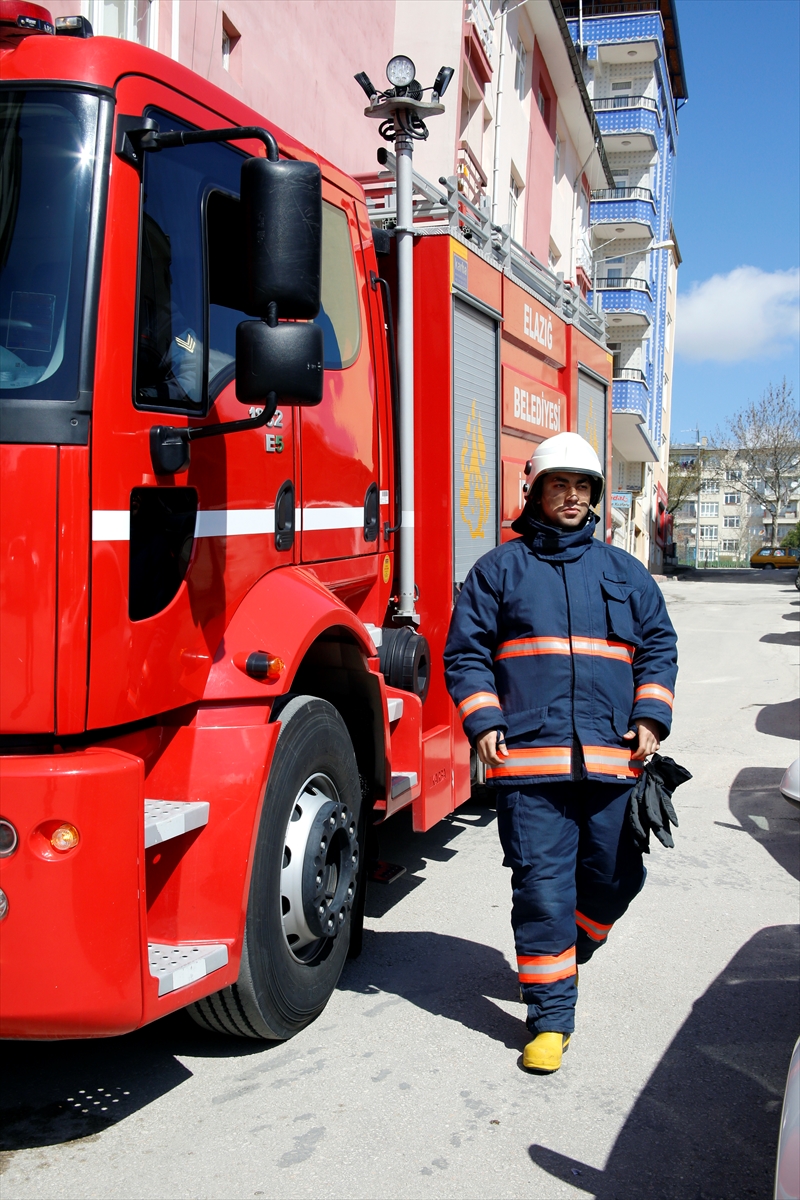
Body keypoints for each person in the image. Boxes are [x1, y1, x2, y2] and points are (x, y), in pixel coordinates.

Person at [444, 432, 678, 1073]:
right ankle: (550, 1019)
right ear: (536, 492)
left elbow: (658, 647)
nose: (571, 497)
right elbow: (465, 655)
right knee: (542, 890)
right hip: (530, 767)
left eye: (582, 487)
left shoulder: (625, 573)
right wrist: (483, 719)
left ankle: (567, 952)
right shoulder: (499, 571)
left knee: (614, 878)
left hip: (612, 762)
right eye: (558, 485)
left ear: (595, 496)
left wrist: (651, 716)